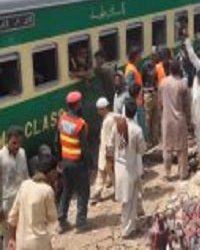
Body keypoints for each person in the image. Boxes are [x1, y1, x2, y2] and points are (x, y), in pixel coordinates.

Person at [107, 100, 147, 238]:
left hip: (119, 168)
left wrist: (110, 161)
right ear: (135, 113)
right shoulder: (137, 130)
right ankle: (127, 230)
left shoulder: (116, 126)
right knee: (129, 201)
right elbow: (142, 149)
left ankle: (131, 224)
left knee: (128, 199)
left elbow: (110, 146)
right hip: (131, 169)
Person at [6, 154, 57, 250]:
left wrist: (12, 239)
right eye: (56, 171)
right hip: (39, 244)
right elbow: (52, 221)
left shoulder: (24, 185)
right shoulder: (47, 190)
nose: (57, 174)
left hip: (21, 244)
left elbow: (12, 217)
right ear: (51, 172)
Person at [56, 91, 91, 233]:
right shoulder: (80, 124)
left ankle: (61, 219)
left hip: (66, 162)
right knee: (83, 191)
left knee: (67, 189)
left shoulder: (62, 119)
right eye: (80, 102)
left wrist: (60, 160)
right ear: (77, 105)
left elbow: (57, 142)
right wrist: (91, 164)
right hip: (78, 163)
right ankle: (81, 223)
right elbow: (85, 148)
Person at [158, 59, 191, 181]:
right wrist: (188, 120)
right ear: (180, 70)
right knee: (182, 149)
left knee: (167, 148)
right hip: (179, 119)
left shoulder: (162, 83)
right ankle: (183, 174)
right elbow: (187, 105)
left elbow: (160, 102)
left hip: (166, 119)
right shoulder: (182, 84)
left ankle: (167, 173)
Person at [0, 127, 28, 249]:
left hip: (22, 199)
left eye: (19, 143)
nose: (17, 146)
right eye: (14, 143)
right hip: (7, 202)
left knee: (23, 231)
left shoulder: (22, 153)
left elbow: (26, 176)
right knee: (8, 236)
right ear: (7, 141)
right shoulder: (1, 157)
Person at [91, 98, 117, 204]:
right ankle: (97, 193)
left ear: (103, 109)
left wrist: (109, 155)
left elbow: (109, 139)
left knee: (111, 174)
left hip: (107, 153)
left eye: (99, 109)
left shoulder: (108, 121)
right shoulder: (111, 117)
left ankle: (118, 193)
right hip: (105, 152)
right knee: (102, 174)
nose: (98, 112)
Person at [142, 49, 160, 147]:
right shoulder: (146, 66)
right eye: (154, 55)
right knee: (147, 119)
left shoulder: (157, 66)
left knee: (155, 118)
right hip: (148, 93)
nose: (155, 57)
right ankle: (148, 142)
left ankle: (155, 140)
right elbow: (143, 79)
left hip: (155, 93)